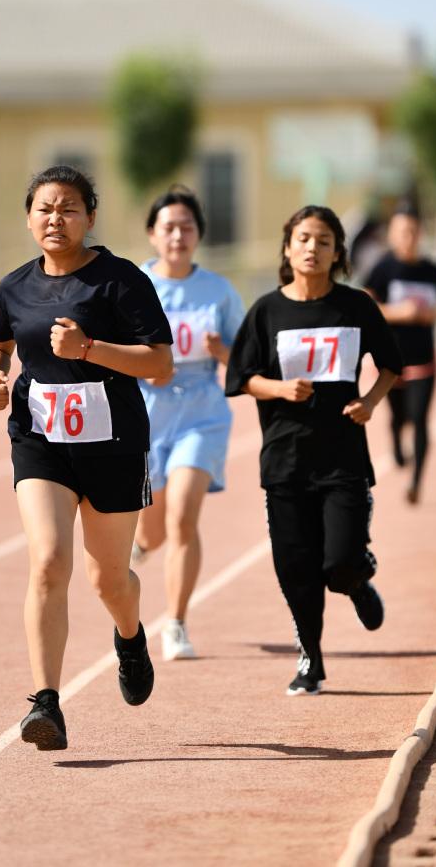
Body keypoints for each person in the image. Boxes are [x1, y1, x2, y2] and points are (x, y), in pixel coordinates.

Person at [0, 165, 173, 750]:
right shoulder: (15, 286)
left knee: (109, 579)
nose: (54, 219)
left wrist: (89, 349)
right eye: (43, 208)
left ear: (90, 217)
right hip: (40, 442)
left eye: (67, 209)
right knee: (48, 561)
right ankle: (46, 703)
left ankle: (131, 637)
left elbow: (160, 363)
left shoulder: (120, 281)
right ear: (29, 216)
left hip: (113, 445)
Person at [225, 205, 401, 696]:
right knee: (295, 568)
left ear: (338, 252)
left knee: (338, 561)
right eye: (303, 238)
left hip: (342, 456)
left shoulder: (356, 306)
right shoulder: (267, 311)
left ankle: (356, 580)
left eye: (324, 240)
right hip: (284, 460)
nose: (312, 248)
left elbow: (391, 365)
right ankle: (311, 658)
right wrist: (281, 390)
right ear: (287, 247)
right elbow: (240, 378)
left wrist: (368, 401)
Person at [130, 186, 245, 660]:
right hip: (146, 418)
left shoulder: (218, 291)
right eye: (169, 227)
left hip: (202, 414)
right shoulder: (135, 285)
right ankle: (140, 545)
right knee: (154, 530)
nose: (178, 235)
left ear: (198, 234)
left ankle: (174, 622)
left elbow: (247, 358)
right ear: (153, 235)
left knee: (183, 514)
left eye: (187, 227)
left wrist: (223, 354)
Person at [365, 206, 436, 504]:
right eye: (402, 231)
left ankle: (416, 482)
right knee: (399, 416)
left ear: (420, 234)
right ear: (392, 234)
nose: (408, 237)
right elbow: (367, 306)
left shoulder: (431, 269)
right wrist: (399, 312)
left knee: (421, 418)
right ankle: (397, 443)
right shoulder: (383, 268)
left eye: (413, 231)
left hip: (424, 359)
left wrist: (432, 314)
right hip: (391, 362)